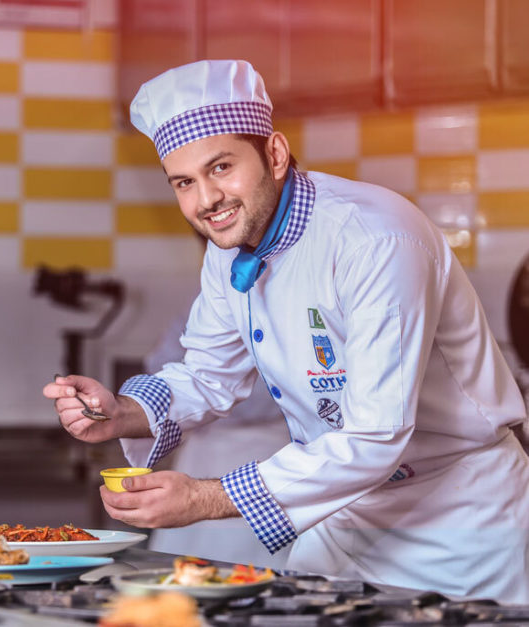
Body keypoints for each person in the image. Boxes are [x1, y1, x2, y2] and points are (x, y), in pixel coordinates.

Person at [44, 59, 529, 602]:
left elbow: (375, 434)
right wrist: (124, 413)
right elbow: (207, 373)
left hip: (459, 524)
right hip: (342, 515)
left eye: (221, 168)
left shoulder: (375, 241)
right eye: (184, 182)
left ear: (273, 154)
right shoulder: (231, 249)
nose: (206, 200)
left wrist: (207, 499)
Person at [144, 259, 290, 567]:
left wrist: (211, 396)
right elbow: (164, 369)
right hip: (204, 452)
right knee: (181, 572)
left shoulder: (291, 303)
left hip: (269, 450)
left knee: (259, 576)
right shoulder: (204, 302)